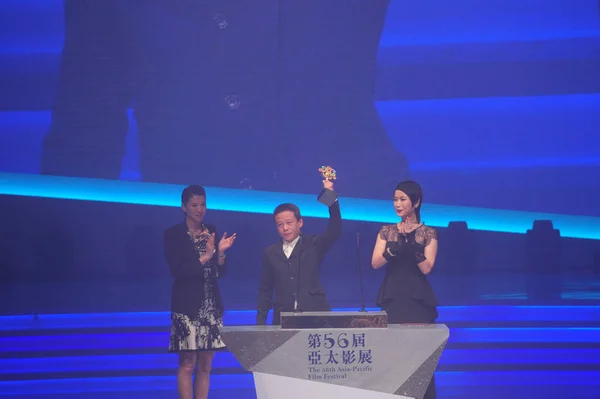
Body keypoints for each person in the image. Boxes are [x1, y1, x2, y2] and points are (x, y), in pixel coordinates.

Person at [164, 185, 236, 399]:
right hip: (186, 306)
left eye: (203, 204)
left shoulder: (210, 230)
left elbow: (218, 272)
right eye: (194, 205)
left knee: (205, 367)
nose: (199, 209)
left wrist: (220, 254)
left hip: (211, 306)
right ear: (184, 207)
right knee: (187, 364)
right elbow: (178, 272)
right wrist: (205, 256)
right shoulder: (173, 235)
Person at [370, 180, 439, 399]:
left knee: (420, 356)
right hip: (393, 298)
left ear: (416, 202)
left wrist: (413, 246)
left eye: (402, 199)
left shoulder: (428, 233)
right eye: (395, 199)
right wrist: (393, 250)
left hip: (417, 300)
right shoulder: (386, 231)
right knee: (394, 357)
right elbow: (375, 263)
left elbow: (427, 267)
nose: (397, 204)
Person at [256, 179, 342, 325]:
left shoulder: (313, 245)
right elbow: (266, 290)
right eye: (280, 224)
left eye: (289, 223)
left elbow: (335, 229)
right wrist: (260, 322)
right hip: (284, 318)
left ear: (300, 222)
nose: (285, 228)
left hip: (316, 316)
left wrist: (330, 196)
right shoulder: (270, 252)